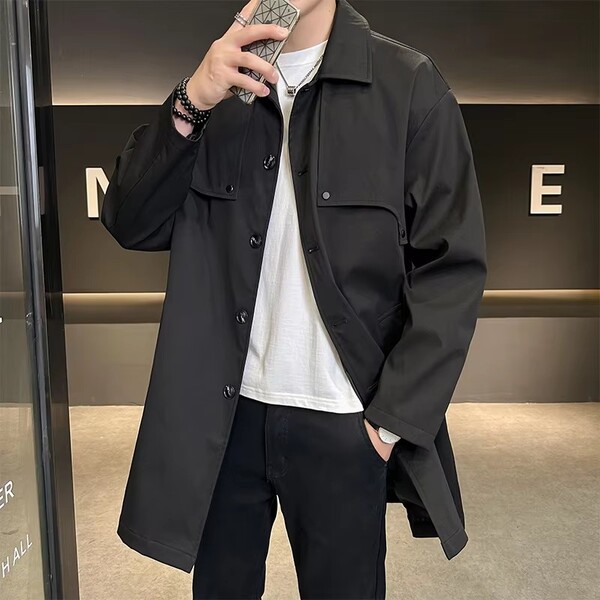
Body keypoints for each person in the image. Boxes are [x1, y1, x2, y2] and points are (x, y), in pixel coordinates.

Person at [100, 0, 488, 598]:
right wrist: (191, 101)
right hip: (225, 418)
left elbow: (452, 269)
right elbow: (131, 222)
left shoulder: (407, 85)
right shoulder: (218, 87)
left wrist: (390, 423)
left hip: (346, 422)